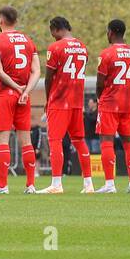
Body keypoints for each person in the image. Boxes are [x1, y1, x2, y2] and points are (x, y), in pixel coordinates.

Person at [0, 6, 40, 195]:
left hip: (5, 94)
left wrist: (16, 87)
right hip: (24, 96)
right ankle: (31, 185)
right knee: (26, 141)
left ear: (1, 20)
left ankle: (2, 186)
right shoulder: (28, 41)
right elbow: (36, 71)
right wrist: (25, 90)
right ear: (16, 21)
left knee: (2, 140)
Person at [37, 17, 94, 194]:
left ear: (55, 29)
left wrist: (49, 99)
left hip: (60, 100)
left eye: (51, 32)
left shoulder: (55, 47)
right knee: (79, 141)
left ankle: (56, 184)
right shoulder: (83, 48)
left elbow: (48, 77)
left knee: (55, 140)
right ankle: (88, 184)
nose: (52, 36)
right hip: (77, 101)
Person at [93, 20, 130, 193]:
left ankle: (110, 184)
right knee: (129, 142)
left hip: (110, 103)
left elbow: (99, 83)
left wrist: (100, 99)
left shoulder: (106, 54)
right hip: (128, 104)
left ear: (110, 32)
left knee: (106, 141)